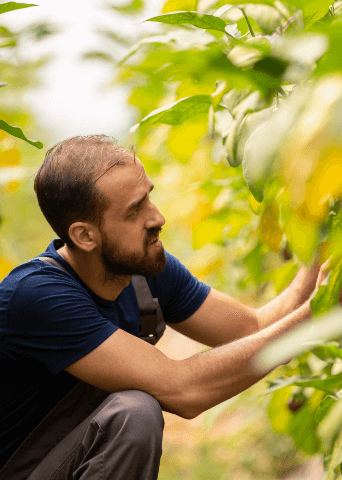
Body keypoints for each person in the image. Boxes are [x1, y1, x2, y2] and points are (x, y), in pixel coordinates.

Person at [0, 135, 324, 480]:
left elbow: (255, 329)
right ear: (84, 236)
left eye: (149, 198)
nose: (158, 217)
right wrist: (318, 312)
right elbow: (184, 389)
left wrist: (326, 250)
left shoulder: (143, 267)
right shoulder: (37, 296)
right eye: (134, 211)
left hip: (70, 459)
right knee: (135, 413)